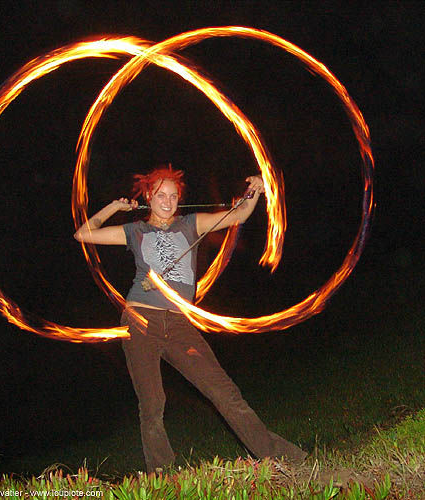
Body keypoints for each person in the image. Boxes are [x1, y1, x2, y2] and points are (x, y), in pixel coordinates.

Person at [74, 165, 306, 473]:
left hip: (181, 325)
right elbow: (83, 234)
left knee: (224, 392)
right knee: (153, 404)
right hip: (141, 321)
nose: (168, 202)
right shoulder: (135, 231)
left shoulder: (190, 224)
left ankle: (279, 457)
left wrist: (256, 192)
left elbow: (237, 216)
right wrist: (115, 207)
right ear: (148, 196)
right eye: (160, 196)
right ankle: (164, 474)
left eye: (173, 196)